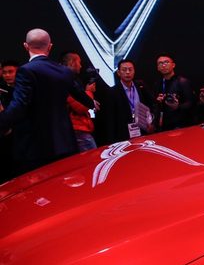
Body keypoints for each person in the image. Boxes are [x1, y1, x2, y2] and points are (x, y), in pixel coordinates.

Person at [0, 28, 94, 174]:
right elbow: (84, 98)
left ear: (26, 46)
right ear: (50, 46)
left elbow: (19, 105)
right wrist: (91, 101)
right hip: (65, 142)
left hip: (35, 147)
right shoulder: (65, 71)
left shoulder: (26, 71)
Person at [103, 59, 155, 143]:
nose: (127, 72)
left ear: (134, 71)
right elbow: (110, 118)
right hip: (123, 134)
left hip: (143, 130)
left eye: (130, 69)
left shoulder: (141, 87)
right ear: (118, 73)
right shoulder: (112, 92)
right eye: (124, 70)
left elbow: (151, 104)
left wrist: (151, 123)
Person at [60, 51, 97, 152]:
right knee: (91, 158)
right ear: (72, 63)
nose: (81, 66)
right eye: (79, 62)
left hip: (77, 129)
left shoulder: (69, 78)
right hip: (78, 130)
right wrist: (89, 92)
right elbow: (81, 108)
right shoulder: (65, 80)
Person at [152, 54, 194, 131]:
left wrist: (178, 106)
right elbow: (155, 106)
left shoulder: (183, 82)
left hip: (181, 125)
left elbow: (191, 104)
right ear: (158, 68)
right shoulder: (157, 84)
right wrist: (159, 101)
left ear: (173, 65)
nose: (163, 65)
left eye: (166, 62)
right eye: (160, 63)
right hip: (163, 126)